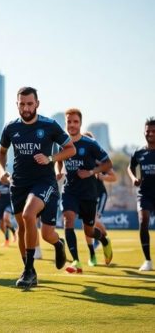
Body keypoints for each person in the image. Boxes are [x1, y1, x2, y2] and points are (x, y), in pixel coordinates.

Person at [0, 87, 75, 288]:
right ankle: (30, 269)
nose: (26, 107)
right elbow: (2, 153)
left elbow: (70, 149)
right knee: (27, 228)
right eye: (22, 104)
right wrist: (1, 170)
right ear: (17, 104)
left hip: (44, 183)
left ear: (37, 104)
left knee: (29, 215)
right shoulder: (10, 128)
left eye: (30, 103)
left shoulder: (49, 125)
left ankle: (32, 267)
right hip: (19, 184)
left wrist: (50, 158)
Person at [55, 108, 114, 274]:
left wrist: (90, 172)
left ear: (80, 123)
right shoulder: (61, 143)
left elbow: (107, 164)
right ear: (65, 123)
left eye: (75, 122)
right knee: (68, 220)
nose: (72, 125)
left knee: (89, 230)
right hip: (70, 190)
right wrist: (58, 171)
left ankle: (103, 239)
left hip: (88, 193)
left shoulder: (90, 144)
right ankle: (76, 262)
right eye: (69, 122)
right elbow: (58, 160)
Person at [82, 131, 117, 266]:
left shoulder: (99, 160)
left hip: (99, 194)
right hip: (85, 195)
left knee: (94, 220)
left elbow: (113, 176)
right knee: (87, 226)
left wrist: (102, 177)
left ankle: (104, 239)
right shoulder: (79, 157)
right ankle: (92, 255)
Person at [128, 117, 155, 271]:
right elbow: (130, 168)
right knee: (143, 220)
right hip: (144, 193)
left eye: (153, 131)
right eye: (147, 131)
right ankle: (148, 261)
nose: (150, 134)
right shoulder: (138, 152)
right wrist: (133, 178)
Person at [0, 177, 17, 247]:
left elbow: (14, 188)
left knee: (6, 218)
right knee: (1, 225)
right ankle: (7, 239)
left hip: (9, 204)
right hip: (0, 205)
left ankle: (14, 233)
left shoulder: (8, 180)